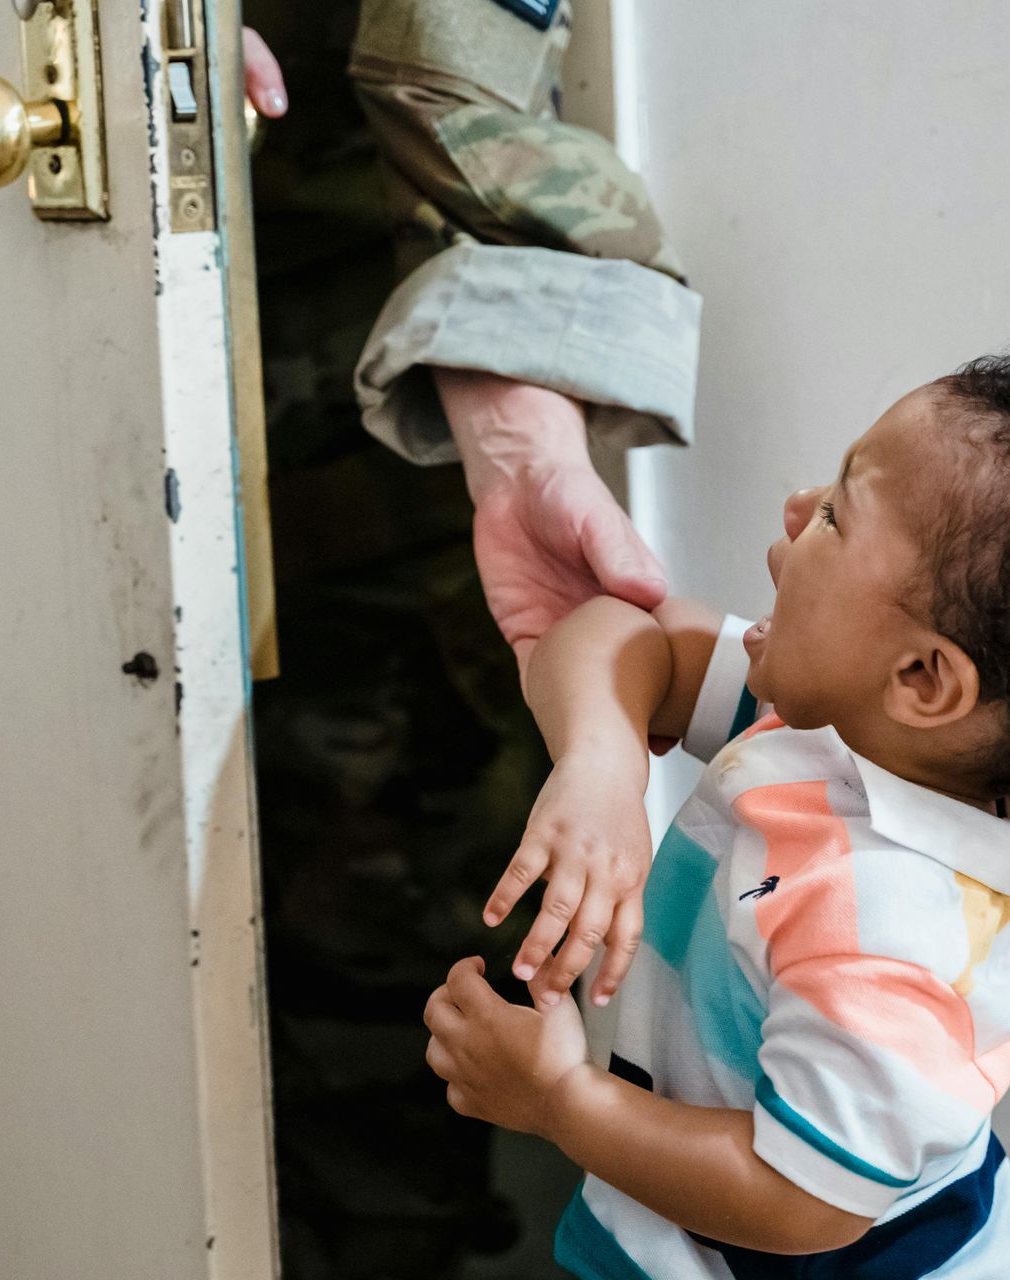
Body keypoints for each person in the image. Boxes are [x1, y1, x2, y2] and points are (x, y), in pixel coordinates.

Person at [424, 349, 1010, 1276]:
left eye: (837, 514)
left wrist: (559, 1098)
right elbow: (617, 636)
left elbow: (799, 1202)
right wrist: (601, 766)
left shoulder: (888, 939)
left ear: (921, 677)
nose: (797, 507)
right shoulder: (838, 729)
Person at [237, 2, 700, 1276]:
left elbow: (454, 63)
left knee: (393, 944)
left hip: (386, 405)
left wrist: (517, 438)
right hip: (75, 330)